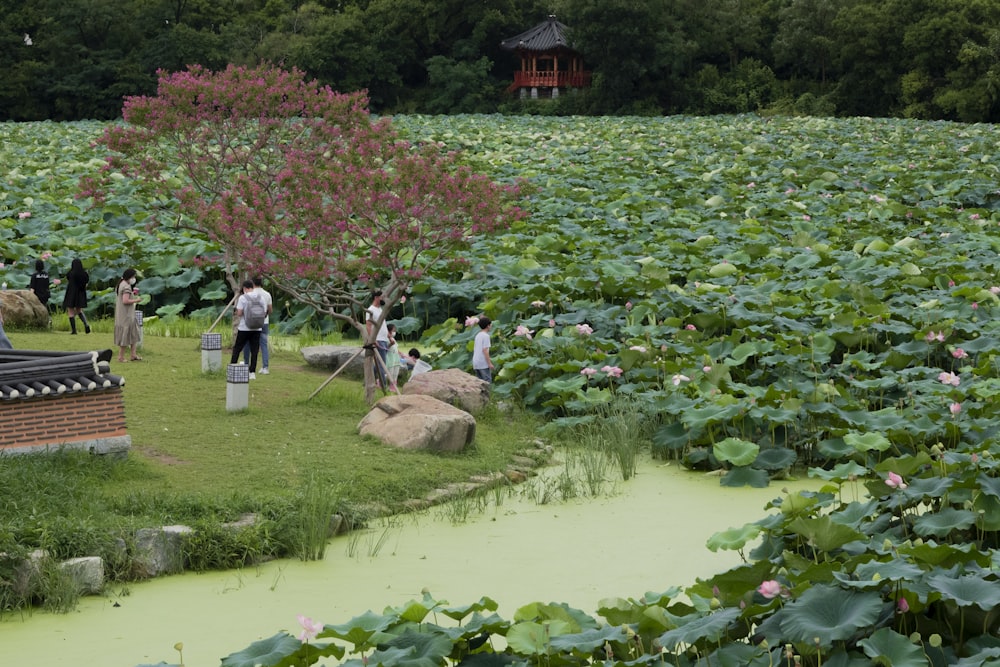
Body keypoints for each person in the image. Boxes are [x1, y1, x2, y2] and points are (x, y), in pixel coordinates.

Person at [231, 280, 263, 379]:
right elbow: (264, 311)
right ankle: (252, 372)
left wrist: (237, 312)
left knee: (237, 348)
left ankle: (233, 367)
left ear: (244, 288)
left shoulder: (243, 298)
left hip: (244, 327)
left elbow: (239, 313)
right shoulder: (260, 297)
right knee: (254, 350)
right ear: (252, 287)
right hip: (257, 328)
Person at [241, 275, 273, 374]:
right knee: (263, 344)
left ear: (252, 283)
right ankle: (265, 367)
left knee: (247, 343)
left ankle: (246, 364)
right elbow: (270, 310)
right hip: (264, 322)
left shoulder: (249, 294)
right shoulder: (267, 294)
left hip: (250, 323)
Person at [114, 268, 143, 362]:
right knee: (125, 335)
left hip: (123, 314)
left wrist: (132, 294)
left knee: (133, 333)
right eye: (134, 277)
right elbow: (125, 301)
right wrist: (136, 300)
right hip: (126, 315)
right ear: (130, 277)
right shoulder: (126, 287)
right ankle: (121, 357)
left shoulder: (121, 284)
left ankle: (133, 355)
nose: (134, 279)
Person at [365, 290, 390, 388]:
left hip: (384, 339)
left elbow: (383, 324)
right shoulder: (370, 310)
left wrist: (388, 335)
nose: (383, 299)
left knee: (380, 363)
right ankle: (383, 385)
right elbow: (368, 325)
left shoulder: (380, 309)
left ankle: (367, 378)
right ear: (376, 297)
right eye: (382, 297)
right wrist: (373, 339)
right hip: (378, 339)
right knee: (382, 364)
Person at [62, 258, 91, 334]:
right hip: (81, 293)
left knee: (70, 311)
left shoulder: (71, 273)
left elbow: (68, 278)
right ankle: (86, 324)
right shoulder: (84, 274)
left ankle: (74, 330)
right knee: (79, 310)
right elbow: (86, 283)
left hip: (71, 293)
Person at [472, 316, 494, 383]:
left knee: (480, 383)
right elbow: (485, 350)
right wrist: (489, 363)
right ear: (488, 326)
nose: (491, 326)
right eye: (490, 325)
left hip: (476, 362)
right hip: (482, 363)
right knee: (487, 382)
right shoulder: (486, 336)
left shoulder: (478, 335)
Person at [384, 323, 402, 391]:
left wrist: (401, 354)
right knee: (390, 373)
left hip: (396, 358)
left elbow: (396, 348)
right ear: (389, 331)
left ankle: (394, 386)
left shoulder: (393, 339)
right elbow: (385, 348)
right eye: (393, 330)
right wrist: (390, 344)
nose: (395, 332)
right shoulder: (386, 339)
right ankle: (382, 381)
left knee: (396, 372)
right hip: (390, 358)